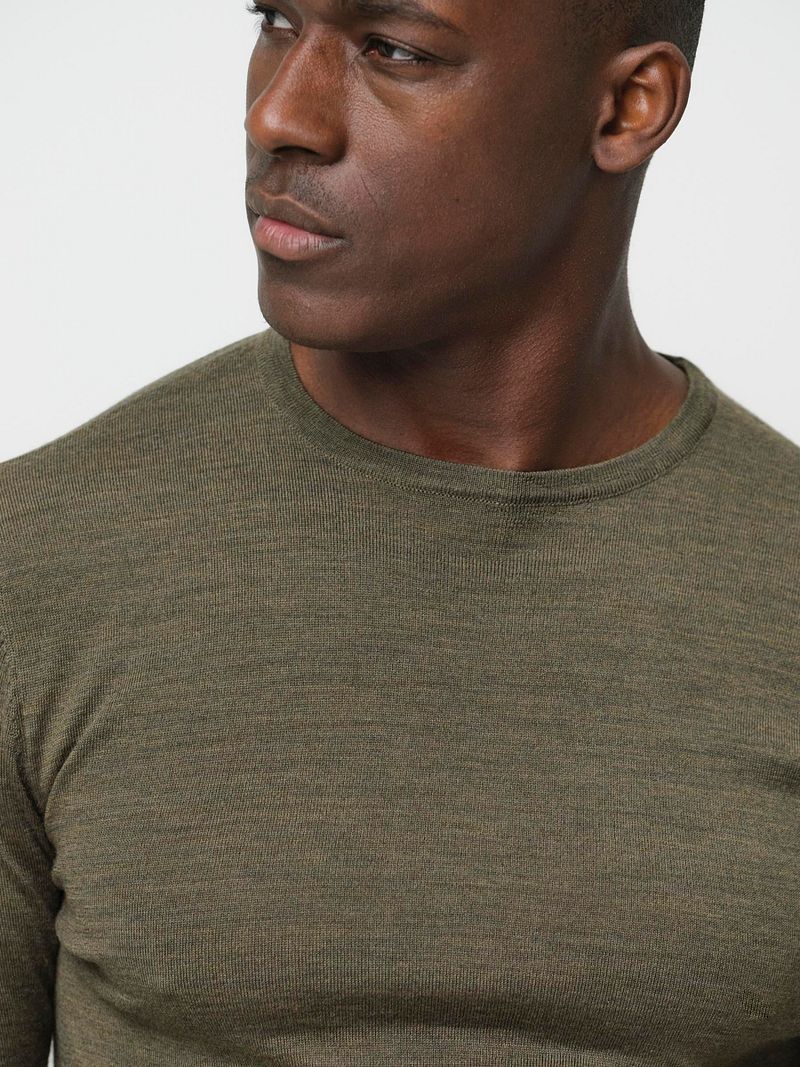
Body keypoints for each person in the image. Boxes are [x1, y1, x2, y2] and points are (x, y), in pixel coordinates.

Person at [1, 0, 798, 1063]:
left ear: (627, 107)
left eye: (395, 51)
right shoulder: (38, 558)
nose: (279, 113)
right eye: (276, 21)